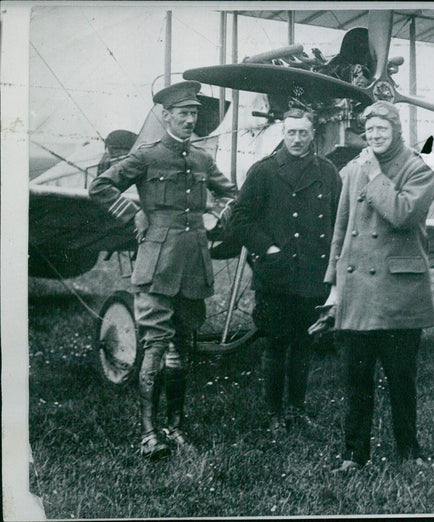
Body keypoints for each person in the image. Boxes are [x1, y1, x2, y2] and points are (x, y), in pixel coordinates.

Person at [89, 81, 238, 459]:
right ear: (166, 116)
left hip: (193, 264)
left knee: (183, 345)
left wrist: (214, 218)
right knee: (155, 345)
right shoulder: (147, 156)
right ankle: (149, 433)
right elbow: (101, 186)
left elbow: (230, 194)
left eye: (194, 115)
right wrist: (134, 213)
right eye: (183, 114)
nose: (190, 120)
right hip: (156, 264)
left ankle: (175, 426)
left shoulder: (202, 159)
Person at [324, 101, 434, 472]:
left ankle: (409, 449)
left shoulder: (418, 168)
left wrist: (375, 177)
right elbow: (341, 228)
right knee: (356, 380)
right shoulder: (355, 167)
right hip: (356, 291)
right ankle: (354, 454)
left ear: (396, 130)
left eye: (381, 131)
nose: (374, 137)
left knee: (401, 379)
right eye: (369, 131)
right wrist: (333, 283)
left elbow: (403, 214)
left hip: (397, 294)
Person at [230, 108, 341, 435]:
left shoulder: (327, 172)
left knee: (304, 345)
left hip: (312, 274)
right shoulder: (264, 171)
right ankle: (275, 413)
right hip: (276, 274)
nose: (296, 139)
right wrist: (268, 249)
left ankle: (297, 409)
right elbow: (239, 220)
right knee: (276, 345)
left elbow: (338, 221)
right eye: (291, 133)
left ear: (313, 134)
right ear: (283, 132)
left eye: (302, 133)